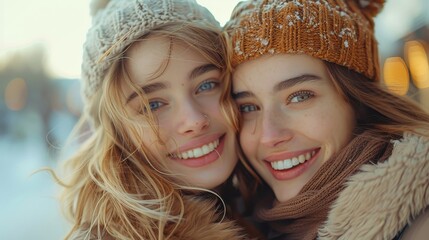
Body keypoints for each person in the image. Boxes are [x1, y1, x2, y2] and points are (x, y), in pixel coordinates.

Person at [225, 0, 429, 239]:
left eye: (299, 96)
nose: (269, 135)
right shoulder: (239, 223)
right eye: (248, 107)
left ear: (356, 101)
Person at [56, 0, 249, 239]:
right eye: (152, 105)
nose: (194, 120)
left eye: (206, 85)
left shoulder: (258, 211)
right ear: (116, 132)